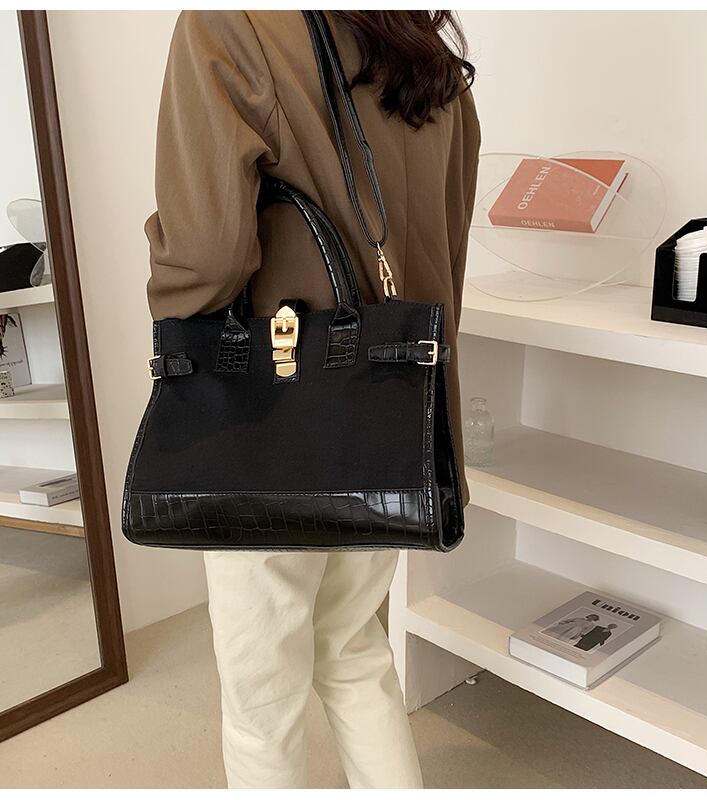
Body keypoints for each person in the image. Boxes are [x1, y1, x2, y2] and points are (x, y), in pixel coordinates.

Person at [143, 10, 479, 789]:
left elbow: (206, 255)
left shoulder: (231, 23)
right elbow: (444, 258)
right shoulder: (425, 53)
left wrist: (176, 330)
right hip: (392, 412)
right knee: (355, 651)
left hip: (269, 418)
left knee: (262, 701)